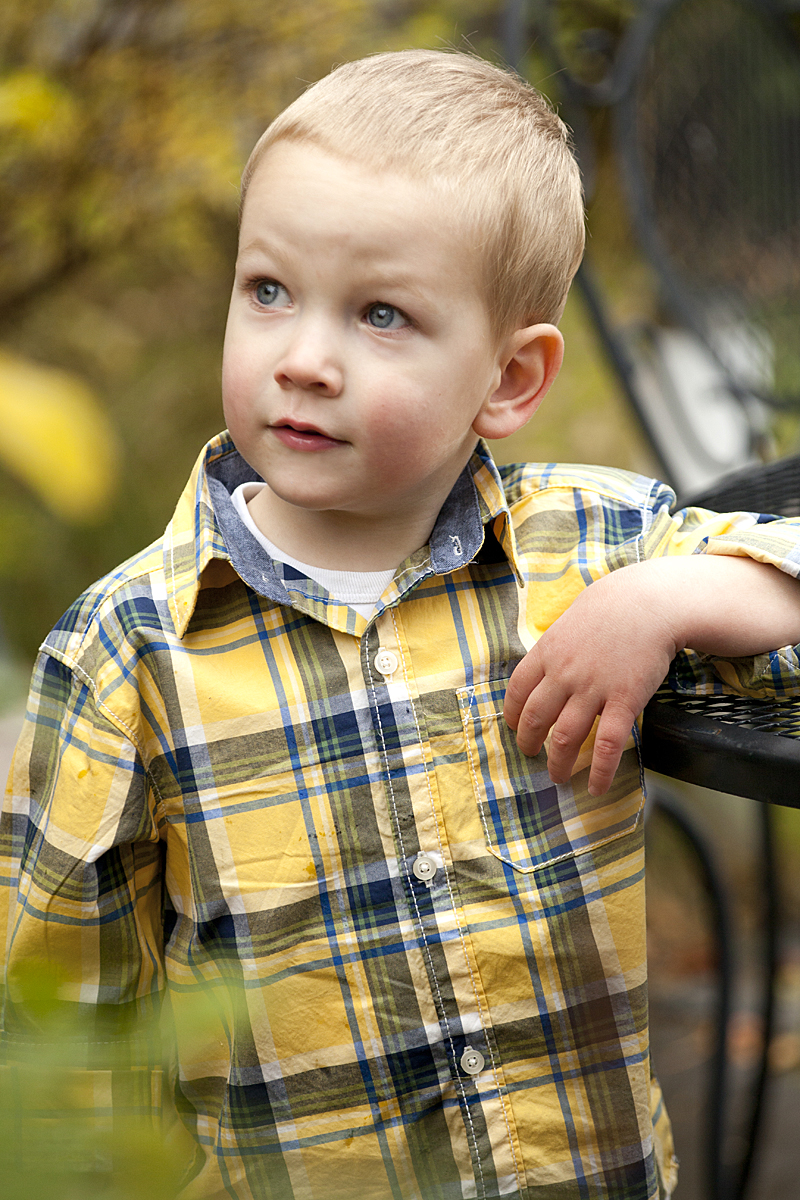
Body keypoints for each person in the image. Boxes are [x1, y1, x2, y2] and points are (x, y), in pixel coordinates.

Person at [3, 48, 800, 1200]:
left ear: (510, 380)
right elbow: (67, 1031)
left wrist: (665, 596)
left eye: (380, 314)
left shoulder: (583, 551)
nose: (304, 360)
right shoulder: (129, 647)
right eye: (268, 290)